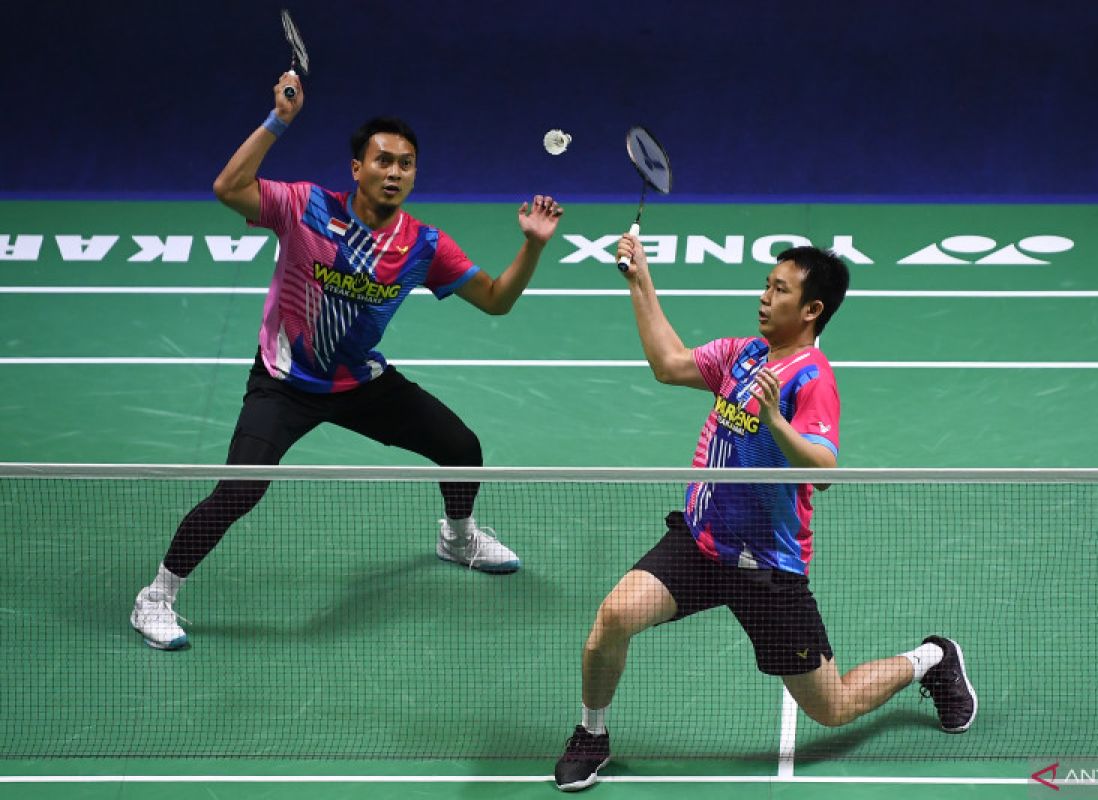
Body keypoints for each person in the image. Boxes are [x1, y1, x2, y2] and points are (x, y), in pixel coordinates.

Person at [130, 71, 564, 650]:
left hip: (358, 383)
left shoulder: (423, 245)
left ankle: (458, 538)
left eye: (406, 163)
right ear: (357, 168)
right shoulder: (305, 207)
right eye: (383, 161)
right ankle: (156, 596)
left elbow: (495, 301)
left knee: (461, 449)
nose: (394, 172)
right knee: (239, 490)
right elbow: (229, 188)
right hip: (284, 383)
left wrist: (532, 244)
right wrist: (278, 120)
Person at [553, 236, 977, 791]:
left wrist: (778, 422)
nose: (764, 297)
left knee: (834, 706)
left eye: (779, 290)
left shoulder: (812, 378)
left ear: (811, 309)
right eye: (766, 285)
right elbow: (668, 364)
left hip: (767, 570)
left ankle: (932, 658)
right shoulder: (742, 354)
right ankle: (593, 733)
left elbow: (823, 471)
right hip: (701, 545)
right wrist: (640, 282)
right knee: (613, 619)